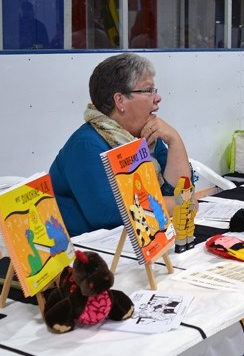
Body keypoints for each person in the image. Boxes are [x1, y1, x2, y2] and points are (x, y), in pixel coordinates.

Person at [49, 53, 192, 237]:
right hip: (84, 252)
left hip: (135, 239)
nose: (158, 98)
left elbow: (178, 189)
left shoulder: (146, 135)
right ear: (120, 101)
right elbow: (109, 215)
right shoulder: (86, 145)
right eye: (148, 90)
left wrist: (175, 141)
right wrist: (182, 203)